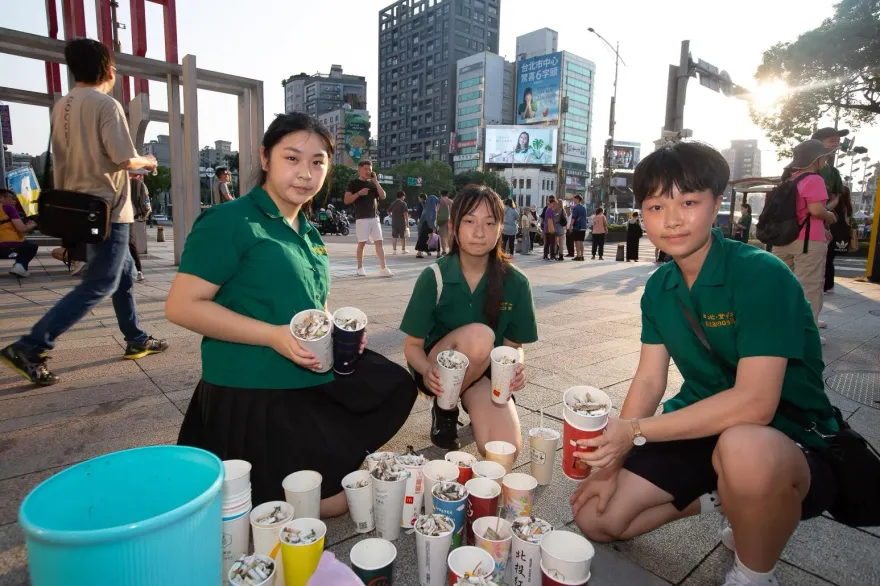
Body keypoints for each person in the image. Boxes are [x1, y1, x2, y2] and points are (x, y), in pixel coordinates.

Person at [571, 141, 839, 586]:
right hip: (698, 426)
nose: (672, 219)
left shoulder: (760, 274)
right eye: (656, 206)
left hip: (783, 435)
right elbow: (650, 379)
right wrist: (612, 463)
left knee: (744, 451)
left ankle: (754, 573)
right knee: (597, 519)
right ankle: (722, 495)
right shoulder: (660, 287)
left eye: (689, 202)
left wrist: (633, 432)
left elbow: (756, 405)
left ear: (717, 203)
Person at [170, 113, 417, 513]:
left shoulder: (309, 232)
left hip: (305, 373)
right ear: (265, 158)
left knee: (394, 384)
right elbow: (182, 306)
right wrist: (272, 335)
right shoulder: (230, 220)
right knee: (335, 501)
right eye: (292, 158)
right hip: (250, 388)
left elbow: (311, 304)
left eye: (317, 162)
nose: (305, 173)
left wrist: (337, 329)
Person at [0, 38, 168, 386]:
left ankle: (136, 339)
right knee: (101, 282)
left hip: (78, 208)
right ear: (107, 67)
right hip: (107, 209)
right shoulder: (105, 105)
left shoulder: (61, 105)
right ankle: (31, 346)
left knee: (121, 277)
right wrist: (149, 162)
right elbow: (124, 157)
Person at [400, 184, 538, 452]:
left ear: (501, 227)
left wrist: (515, 368)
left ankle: (473, 399)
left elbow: (514, 346)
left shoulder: (516, 282)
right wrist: (428, 372)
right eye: (469, 221)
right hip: (436, 371)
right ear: (453, 227)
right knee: (480, 337)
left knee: (504, 450)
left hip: (484, 372)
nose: (478, 232)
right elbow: (412, 347)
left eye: (489, 222)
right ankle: (445, 409)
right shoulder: (434, 276)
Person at [772, 140, 838, 338]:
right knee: (809, 287)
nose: (826, 159)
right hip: (808, 241)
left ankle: (780, 328)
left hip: (782, 240)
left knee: (782, 286)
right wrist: (830, 216)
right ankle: (807, 334)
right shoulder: (814, 179)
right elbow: (816, 210)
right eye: (824, 156)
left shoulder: (788, 179)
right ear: (817, 158)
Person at [345, 160, 393, 277]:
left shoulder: (372, 184)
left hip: (374, 217)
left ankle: (383, 267)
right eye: (365, 169)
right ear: (359, 169)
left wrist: (376, 182)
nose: (368, 171)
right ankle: (360, 268)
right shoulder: (354, 183)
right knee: (362, 243)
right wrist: (358, 194)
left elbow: (383, 196)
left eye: (370, 169)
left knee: (379, 242)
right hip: (362, 218)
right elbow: (346, 200)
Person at [1, 188, 38, 277]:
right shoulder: (8, 208)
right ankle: (20, 267)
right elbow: (21, 229)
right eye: (11, 198)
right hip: (8, 247)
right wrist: (31, 225)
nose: (14, 201)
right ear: (1, 198)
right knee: (31, 246)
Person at [825, 186, 853, 295]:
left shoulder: (834, 207)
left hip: (830, 235)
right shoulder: (847, 207)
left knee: (826, 261)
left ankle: (827, 285)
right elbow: (847, 222)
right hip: (840, 237)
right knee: (829, 261)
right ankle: (829, 285)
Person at [129, 170, 151, 282]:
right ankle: (137, 270)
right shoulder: (140, 185)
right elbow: (146, 203)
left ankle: (137, 270)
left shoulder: (137, 184)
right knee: (129, 244)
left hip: (124, 217)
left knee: (128, 244)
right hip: (130, 216)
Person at [415, 192, 439, 259]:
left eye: (419, 198)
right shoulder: (432, 205)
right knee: (431, 238)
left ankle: (420, 252)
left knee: (423, 237)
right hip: (431, 223)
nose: (419, 199)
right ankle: (436, 252)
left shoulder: (426, 204)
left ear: (422, 198)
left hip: (426, 223)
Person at [387, 190, 409, 255]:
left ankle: (394, 250)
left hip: (394, 222)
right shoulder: (403, 203)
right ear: (402, 196)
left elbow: (388, 211)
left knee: (394, 236)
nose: (404, 197)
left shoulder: (393, 203)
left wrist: (392, 216)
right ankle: (403, 249)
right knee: (403, 236)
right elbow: (405, 214)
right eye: (404, 196)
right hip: (402, 222)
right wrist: (407, 222)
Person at [570, 195, 588, 261]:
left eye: (574, 199)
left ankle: (578, 255)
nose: (573, 201)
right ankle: (582, 256)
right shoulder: (583, 208)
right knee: (581, 241)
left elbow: (573, 218)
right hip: (583, 226)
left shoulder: (576, 208)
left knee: (577, 241)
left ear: (577, 199)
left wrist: (570, 225)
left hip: (577, 226)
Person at [437, 190, 453, 257]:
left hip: (442, 221)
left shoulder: (439, 201)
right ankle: (450, 250)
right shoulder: (451, 201)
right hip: (450, 220)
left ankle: (444, 250)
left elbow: (437, 211)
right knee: (449, 236)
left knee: (442, 236)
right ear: (447, 194)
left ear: (441, 194)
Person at [541, 196, 557, 260]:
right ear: (551, 203)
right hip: (551, 228)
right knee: (552, 243)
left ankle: (545, 255)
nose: (555, 205)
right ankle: (552, 255)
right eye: (554, 203)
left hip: (547, 228)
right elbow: (551, 220)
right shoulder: (551, 210)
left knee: (547, 243)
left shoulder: (548, 209)